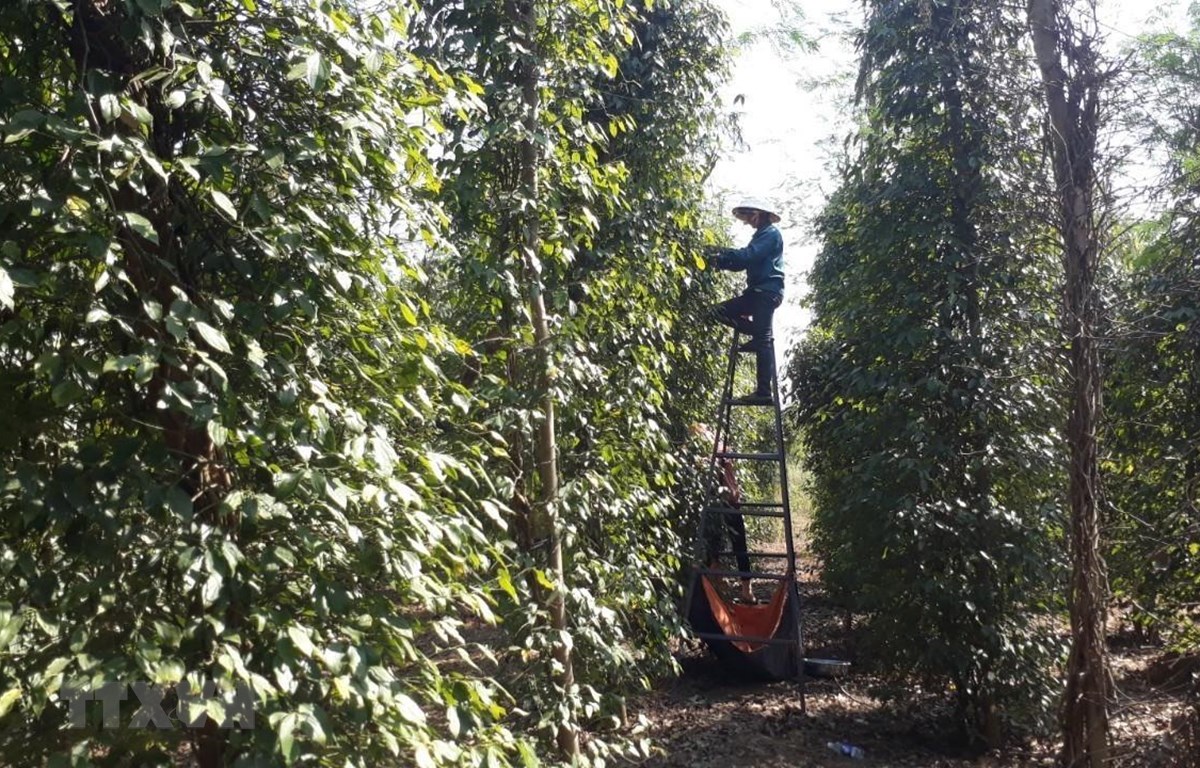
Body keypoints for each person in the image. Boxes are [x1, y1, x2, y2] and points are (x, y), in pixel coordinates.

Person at [708, 198, 784, 404]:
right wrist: (719, 260)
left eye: (749, 217)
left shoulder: (770, 234)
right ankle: (758, 333)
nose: (747, 221)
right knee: (717, 311)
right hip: (756, 293)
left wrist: (722, 254)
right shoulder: (761, 236)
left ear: (758, 214)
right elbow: (740, 264)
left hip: (765, 292)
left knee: (763, 340)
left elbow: (747, 256)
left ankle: (763, 392)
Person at [691, 423, 754, 603]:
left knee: (716, 545)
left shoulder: (711, 452)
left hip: (720, 502)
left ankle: (721, 585)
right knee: (736, 544)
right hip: (728, 501)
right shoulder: (721, 449)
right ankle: (743, 589)